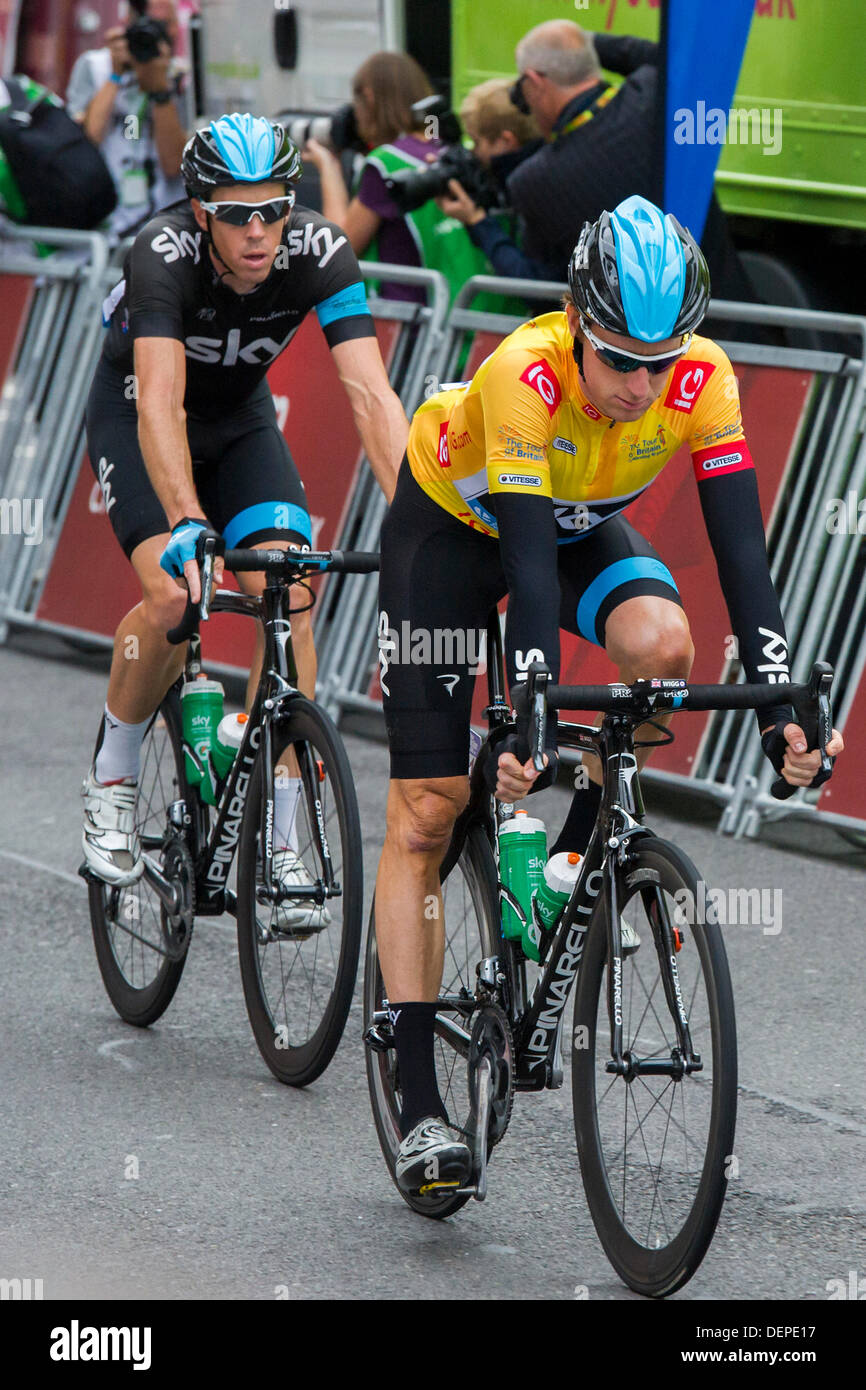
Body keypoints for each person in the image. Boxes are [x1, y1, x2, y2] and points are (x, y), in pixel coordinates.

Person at [372, 194, 843, 1193]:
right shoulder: (522, 373)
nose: (638, 384)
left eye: (657, 360)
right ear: (576, 323)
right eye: (617, 357)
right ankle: (416, 1102)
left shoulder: (699, 379)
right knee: (425, 810)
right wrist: (531, 703)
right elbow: (527, 577)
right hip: (454, 531)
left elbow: (740, 554)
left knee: (662, 645)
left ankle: (577, 851)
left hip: (576, 523)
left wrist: (776, 702)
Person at [81, 113, 407, 918]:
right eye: (236, 212)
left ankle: (286, 833)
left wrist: (420, 515)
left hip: (241, 423)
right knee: (173, 595)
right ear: (200, 211)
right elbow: (160, 399)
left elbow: (370, 394)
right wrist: (188, 519)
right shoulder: (162, 253)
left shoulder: (320, 249)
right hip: (140, 413)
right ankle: (113, 779)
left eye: (274, 208)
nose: (259, 230)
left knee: (289, 591)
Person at [443, 19, 756, 306]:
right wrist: (585, 43)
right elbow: (666, 55)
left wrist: (479, 223)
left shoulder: (534, 180)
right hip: (733, 322)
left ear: (536, 82)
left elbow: (538, 288)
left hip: (639, 354)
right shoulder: (652, 95)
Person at [301, 51, 498, 305]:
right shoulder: (452, 150)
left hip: (404, 320)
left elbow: (338, 248)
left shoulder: (385, 165)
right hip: (453, 310)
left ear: (369, 98)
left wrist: (328, 165)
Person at [65, 0, 190, 240]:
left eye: (163, 25)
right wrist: (115, 75)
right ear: (127, 25)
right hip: (105, 216)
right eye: (147, 25)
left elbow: (174, 164)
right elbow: (87, 142)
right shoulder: (95, 66)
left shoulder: (180, 76)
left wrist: (160, 90)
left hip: (161, 223)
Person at [438, 78, 545, 282]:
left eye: (477, 142)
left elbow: (530, 279)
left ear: (506, 140)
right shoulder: (548, 161)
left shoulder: (533, 188)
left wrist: (477, 221)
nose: (474, 152)